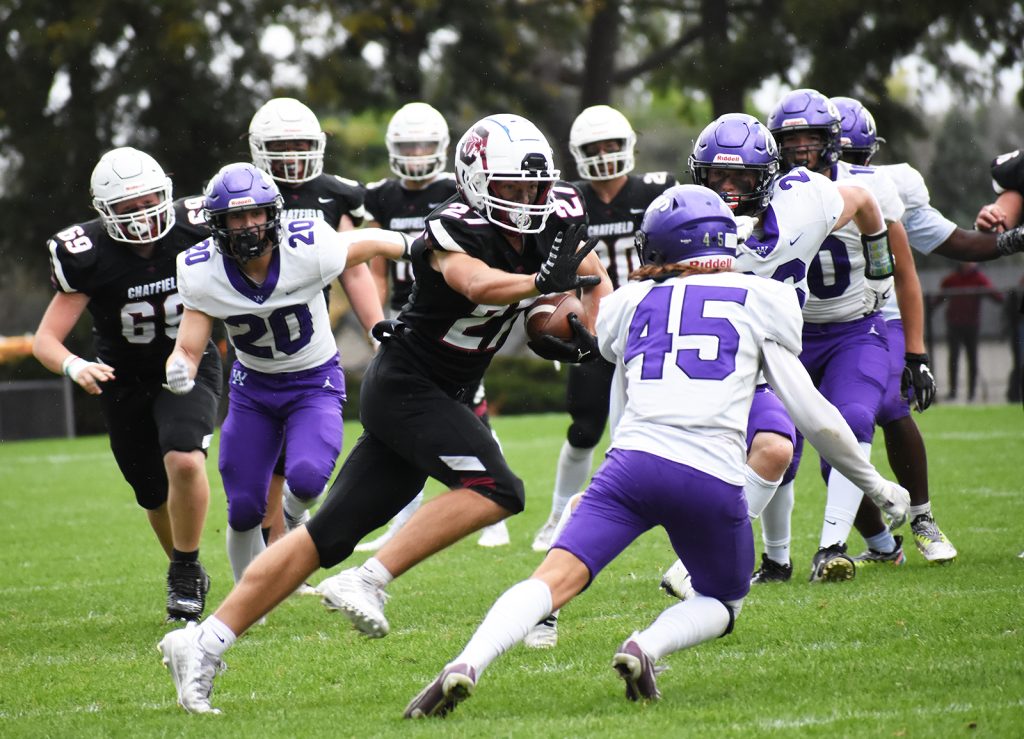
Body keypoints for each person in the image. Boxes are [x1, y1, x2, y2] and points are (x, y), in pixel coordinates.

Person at [157, 114, 611, 714]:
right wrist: (537, 283)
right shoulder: (452, 225)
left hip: (443, 391)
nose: (527, 201)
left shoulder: (554, 219)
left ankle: (202, 642)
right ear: (476, 181)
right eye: (513, 189)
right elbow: (475, 283)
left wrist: (577, 327)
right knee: (498, 489)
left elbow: (582, 282)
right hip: (406, 385)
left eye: (533, 189)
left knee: (323, 536)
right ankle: (369, 578)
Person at [402, 185, 910, 718]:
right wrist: (876, 484)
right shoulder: (762, 297)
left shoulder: (628, 301)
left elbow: (622, 384)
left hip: (632, 467)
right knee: (722, 601)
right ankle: (647, 645)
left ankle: (467, 661)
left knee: (552, 581)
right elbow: (813, 414)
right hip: (708, 475)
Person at [163, 162, 396, 586]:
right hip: (253, 391)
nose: (249, 226)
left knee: (307, 480)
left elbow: (372, 244)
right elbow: (187, 347)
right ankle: (245, 594)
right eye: (237, 216)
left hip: (313, 383)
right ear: (218, 224)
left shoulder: (308, 247)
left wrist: (426, 243)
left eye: (256, 214)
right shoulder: (202, 270)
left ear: (274, 213)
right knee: (245, 508)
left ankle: (291, 516)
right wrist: (180, 368)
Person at [32, 147, 221, 622]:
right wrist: (76, 366)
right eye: (127, 208)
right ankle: (186, 566)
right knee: (151, 493)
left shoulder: (198, 225)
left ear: (167, 192)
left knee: (183, 455)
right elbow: (46, 340)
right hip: (122, 378)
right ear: (104, 211)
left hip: (188, 362)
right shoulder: (87, 254)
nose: (141, 215)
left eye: (149, 200)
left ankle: (183, 570)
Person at [752, 89, 911, 582]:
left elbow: (881, 237)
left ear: (833, 142)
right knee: (778, 440)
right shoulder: (766, 190)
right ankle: (776, 559)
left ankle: (833, 547)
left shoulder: (866, 185)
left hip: (853, 329)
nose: (801, 150)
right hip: (790, 335)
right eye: (791, 141)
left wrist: (877, 262)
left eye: (810, 139)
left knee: (856, 416)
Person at [357, 101, 509, 551]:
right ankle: (404, 520)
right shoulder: (381, 195)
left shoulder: (456, 187)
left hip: (453, 312)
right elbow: (378, 267)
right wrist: (377, 318)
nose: (417, 152)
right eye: (408, 145)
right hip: (408, 318)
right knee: (413, 421)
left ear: (443, 147)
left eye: (425, 144)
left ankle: (491, 513)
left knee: (471, 411)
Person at [531, 104, 677, 557]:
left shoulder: (658, 191)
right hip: (593, 323)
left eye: (612, 144)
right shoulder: (567, 199)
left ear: (629, 144)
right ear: (578, 153)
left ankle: (674, 510)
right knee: (585, 427)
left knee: (670, 421)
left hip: (653, 320)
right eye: (594, 148)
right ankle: (558, 514)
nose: (605, 154)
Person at [248, 97, 383, 547]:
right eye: (281, 146)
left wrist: (376, 326)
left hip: (311, 342)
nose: (292, 156)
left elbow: (354, 264)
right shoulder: (242, 192)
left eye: (301, 144)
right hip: (258, 342)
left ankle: (285, 531)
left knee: (298, 461)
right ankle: (272, 546)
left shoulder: (335, 193)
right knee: (265, 460)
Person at [933, 261, 1004, 402]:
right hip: (954, 324)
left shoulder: (979, 278)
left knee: (972, 358)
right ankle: (953, 392)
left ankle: (971, 392)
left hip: (971, 324)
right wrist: (930, 307)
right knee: (953, 358)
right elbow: (940, 297)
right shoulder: (952, 278)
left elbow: (995, 295)